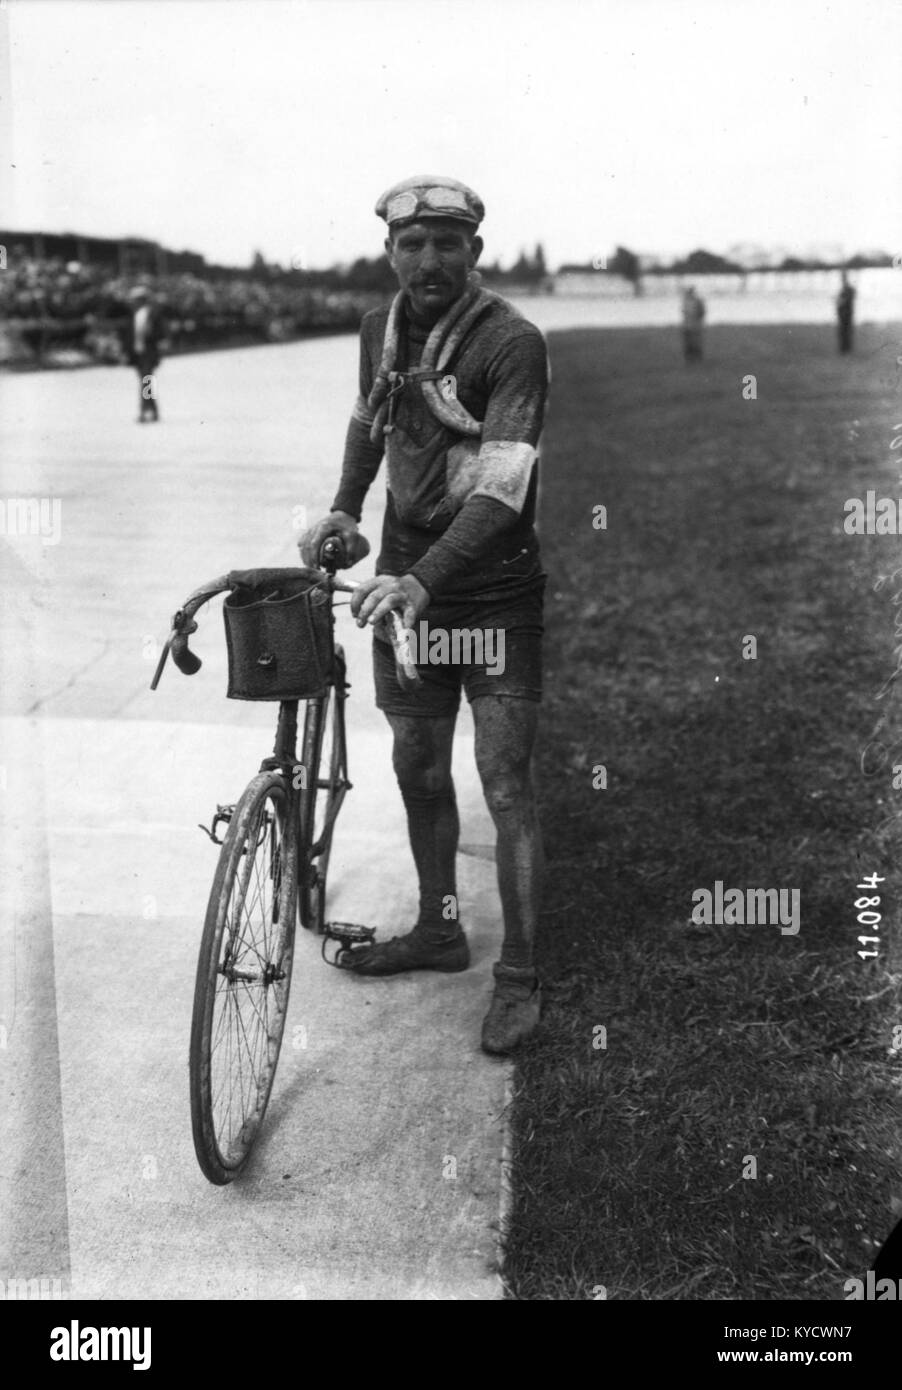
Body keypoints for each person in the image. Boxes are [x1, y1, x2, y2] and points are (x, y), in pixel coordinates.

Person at [300, 175, 550, 1054]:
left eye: (449, 242)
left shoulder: (512, 341)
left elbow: (502, 491)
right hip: (410, 586)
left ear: (475, 250)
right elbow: (372, 423)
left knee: (506, 778)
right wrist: (344, 508)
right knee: (418, 767)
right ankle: (441, 930)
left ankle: (519, 973)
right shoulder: (381, 329)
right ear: (391, 252)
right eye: (414, 245)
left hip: (493, 588)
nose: (430, 259)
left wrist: (422, 581)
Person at [125, 285, 163, 421]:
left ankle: (144, 412)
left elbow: (161, 333)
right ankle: (153, 411)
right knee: (147, 383)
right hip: (138, 354)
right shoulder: (134, 315)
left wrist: (151, 334)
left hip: (148, 354)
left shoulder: (153, 314)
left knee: (145, 382)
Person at [681, 285, 705, 361]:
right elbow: (684, 312)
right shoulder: (685, 301)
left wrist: (697, 319)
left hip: (695, 325)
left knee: (695, 342)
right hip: (687, 325)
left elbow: (702, 312)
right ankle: (689, 357)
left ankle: (697, 357)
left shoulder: (698, 301)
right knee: (688, 342)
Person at [837, 270, 855, 353]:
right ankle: (845, 348)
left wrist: (841, 302)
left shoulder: (847, 289)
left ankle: (846, 348)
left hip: (846, 313)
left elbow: (846, 300)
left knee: (845, 331)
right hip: (844, 313)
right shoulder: (845, 288)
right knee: (844, 331)